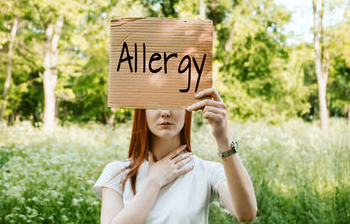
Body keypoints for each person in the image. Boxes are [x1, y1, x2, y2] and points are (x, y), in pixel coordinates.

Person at [92, 87, 257, 223]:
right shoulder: (117, 172)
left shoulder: (207, 172)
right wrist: (154, 181)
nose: (165, 112)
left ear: (188, 110)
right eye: (155, 104)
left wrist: (223, 138)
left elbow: (246, 213)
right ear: (142, 111)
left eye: (174, 103)